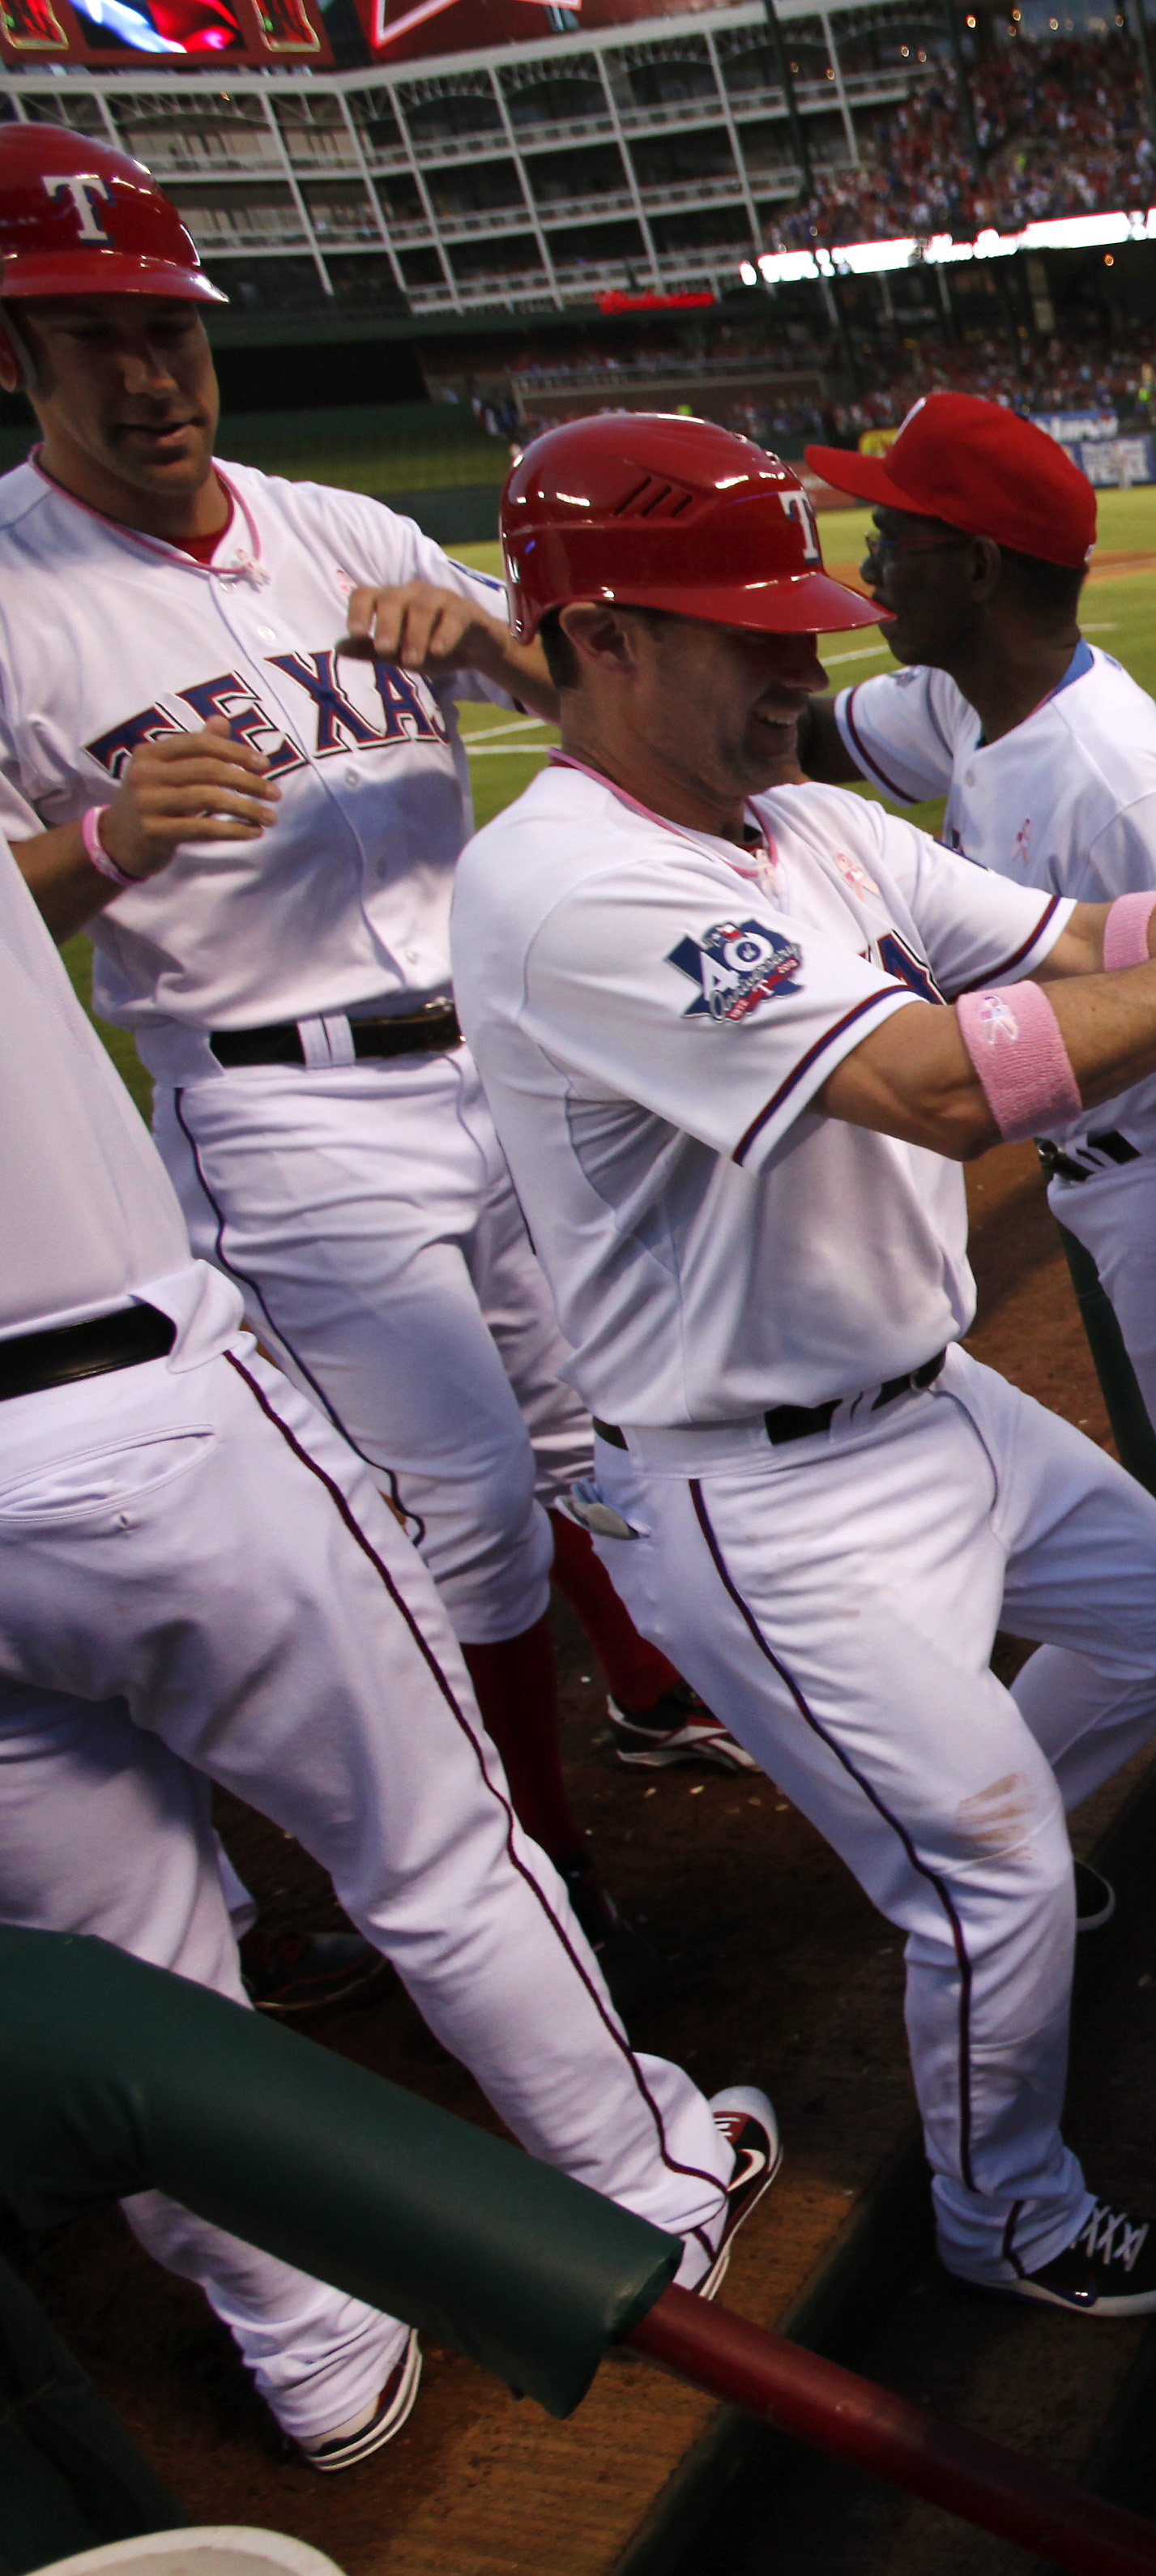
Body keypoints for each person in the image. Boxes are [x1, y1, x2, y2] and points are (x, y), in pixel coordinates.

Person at [451, 412, 1156, 2318]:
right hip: (752, 1482)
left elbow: (1083, 934)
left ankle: (955, 1853)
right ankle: (998, 2201)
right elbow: (934, 1085)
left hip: (927, 1400)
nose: (804, 664)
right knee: (996, 1868)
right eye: (747, 629)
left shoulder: (803, 823)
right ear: (595, 638)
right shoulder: (571, 885)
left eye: (802, 620)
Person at [0, 126, 742, 1997]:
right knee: (472, 1503)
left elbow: (592, 706)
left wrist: (492, 641)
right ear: (17, 354)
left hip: (491, 1054)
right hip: (281, 1107)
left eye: (164, 326)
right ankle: (537, 1878)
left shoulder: (340, 524)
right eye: (88, 335)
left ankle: (642, 1694)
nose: (146, 373)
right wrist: (98, 847)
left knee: (598, 1437)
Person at [0, 752, 775, 2477]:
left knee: (124, 1964)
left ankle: (310, 2343)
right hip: (131, 1406)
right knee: (431, 1845)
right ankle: (641, 2186)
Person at [798, 391, 1156, 1855]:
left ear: (976, 567)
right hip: (1108, 1156)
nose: (869, 558)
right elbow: (807, 734)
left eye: (896, 536)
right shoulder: (958, 702)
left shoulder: (1109, 769)